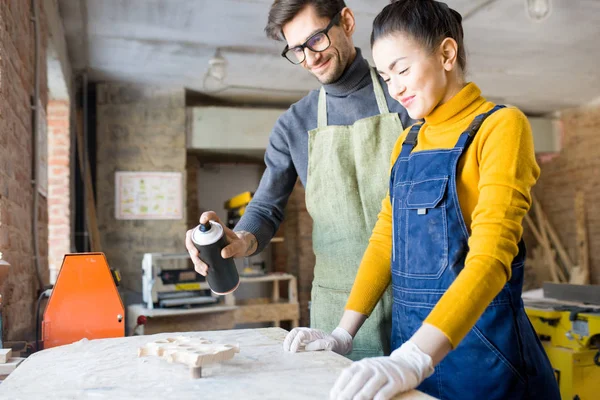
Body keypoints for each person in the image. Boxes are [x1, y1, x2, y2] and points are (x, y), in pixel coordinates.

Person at [283, 1, 561, 399]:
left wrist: (416, 357)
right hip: (410, 355)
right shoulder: (407, 143)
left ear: (446, 54)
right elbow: (384, 241)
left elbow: (492, 256)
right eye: (384, 75)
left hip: (487, 360)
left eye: (402, 69)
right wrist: (343, 333)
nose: (394, 87)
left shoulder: (500, 126)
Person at [185, 0, 414, 361]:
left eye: (317, 39)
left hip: (416, 296)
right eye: (297, 50)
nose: (310, 57)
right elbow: (265, 206)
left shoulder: (404, 97)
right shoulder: (294, 124)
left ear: (347, 21)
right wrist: (242, 239)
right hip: (338, 306)